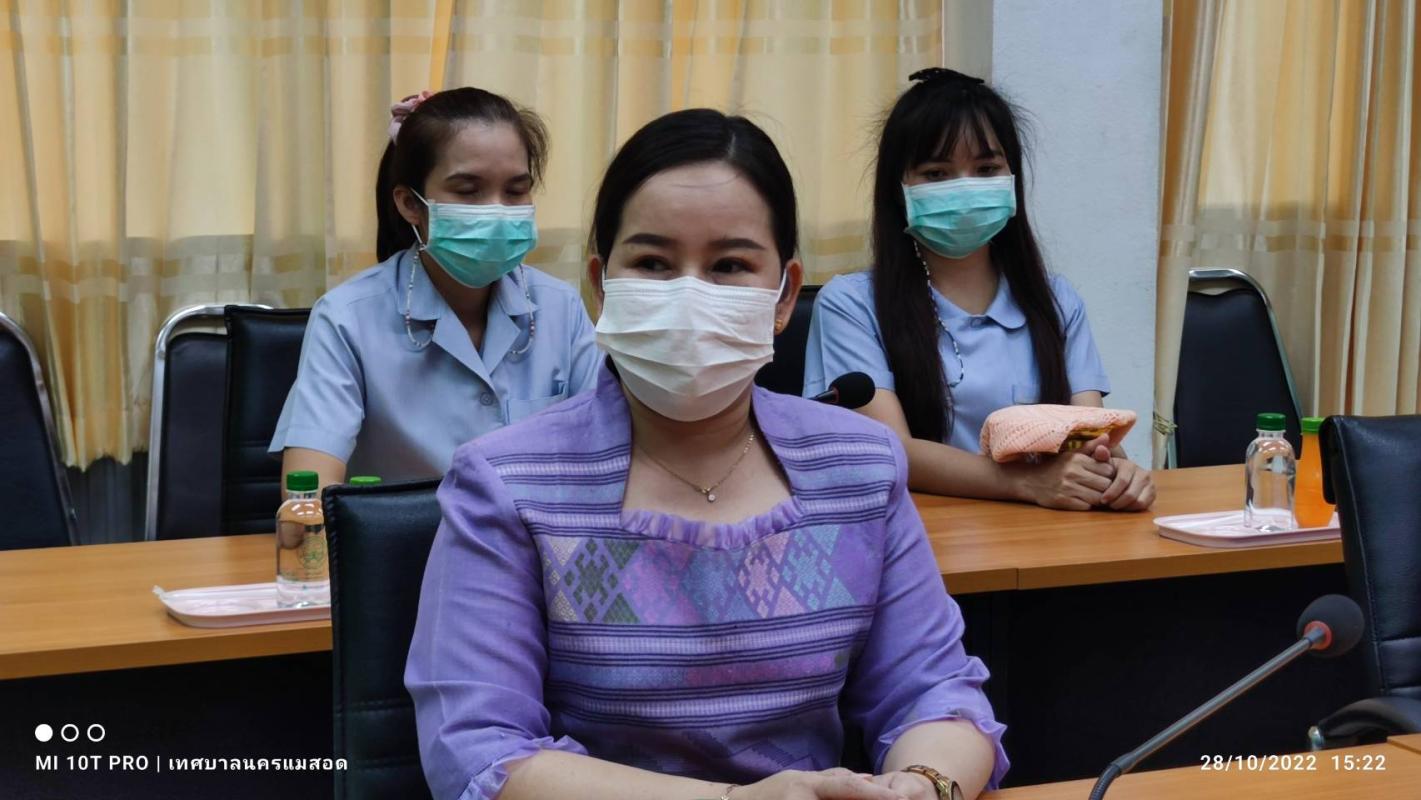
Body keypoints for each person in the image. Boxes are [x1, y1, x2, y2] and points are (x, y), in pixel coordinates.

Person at [406, 109, 1008, 800]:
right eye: (653, 264)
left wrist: (927, 784)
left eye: (729, 266)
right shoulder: (508, 482)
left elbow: (933, 690)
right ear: (601, 286)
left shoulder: (860, 465)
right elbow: (480, 751)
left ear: (784, 295)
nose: (689, 294)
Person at [804, 68, 1155, 511]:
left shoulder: (1057, 301)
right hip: (919, 537)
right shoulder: (852, 304)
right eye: (937, 173)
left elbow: (1088, 435)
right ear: (899, 188)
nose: (965, 188)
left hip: (1048, 533)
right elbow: (888, 450)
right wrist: (1026, 483)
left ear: (1012, 179)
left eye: (986, 169)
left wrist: (1117, 472)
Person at [268, 87, 600, 486]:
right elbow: (306, 495)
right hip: (408, 530)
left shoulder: (561, 308)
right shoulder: (347, 318)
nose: (497, 211)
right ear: (411, 204)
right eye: (468, 190)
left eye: (515, 191)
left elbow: (608, 454)